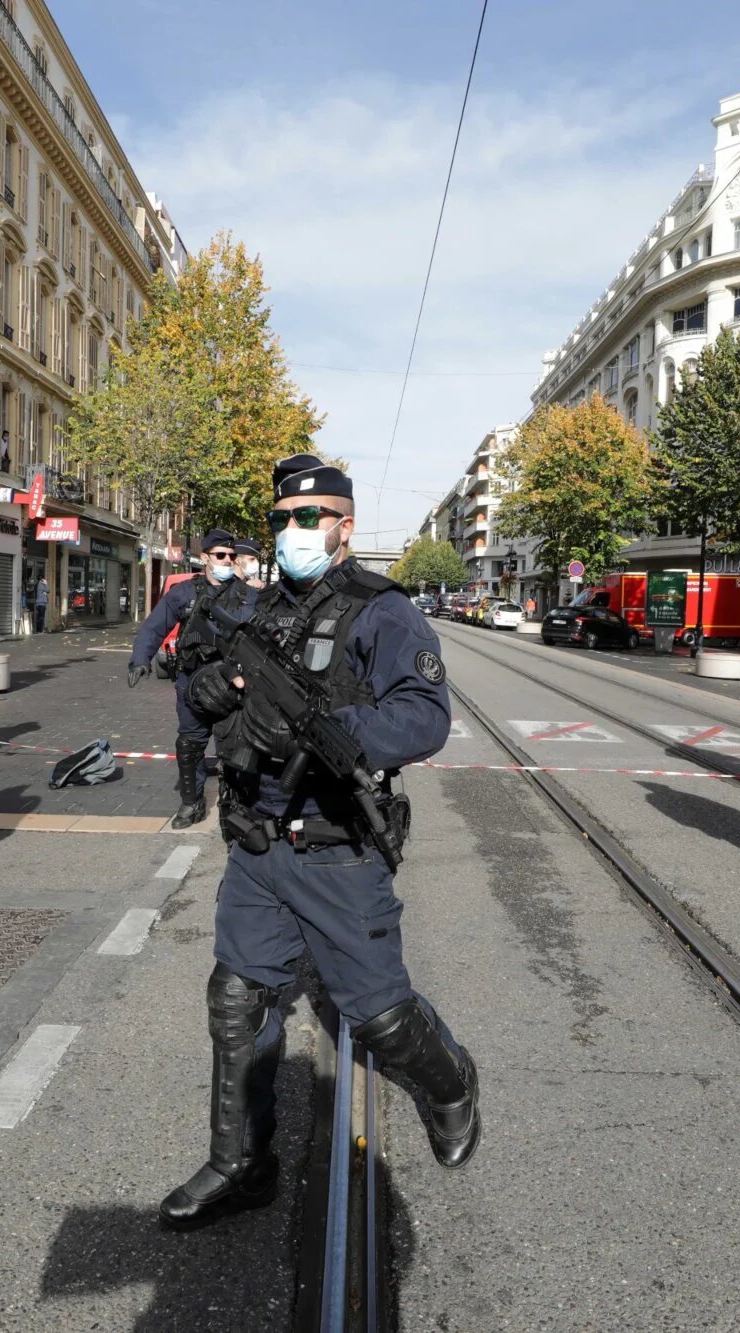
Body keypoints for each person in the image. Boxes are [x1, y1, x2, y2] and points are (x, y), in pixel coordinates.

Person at [160, 457, 479, 1230]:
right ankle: (242, 1161)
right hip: (257, 843)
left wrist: (335, 731)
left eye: (310, 518)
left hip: (336, 847)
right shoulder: (259, 609)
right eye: (281, 520)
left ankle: (451, 1082)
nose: (292, 532)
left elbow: (424, 715)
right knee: (236, 1000)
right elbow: (208, 689)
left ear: (344, 525)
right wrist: (202, 695)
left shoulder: (382, 609)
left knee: (378, 1019)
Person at [126, 529, 255, 828]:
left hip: (231, 683)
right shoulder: (183, 592)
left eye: (232, 556)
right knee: (190, 744)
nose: (227, 561)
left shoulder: (248, 595)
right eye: (220, 555)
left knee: (235, 746)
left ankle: (235, 805)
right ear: (206, 558)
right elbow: (154, 626)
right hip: (191, 680)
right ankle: (191, 802)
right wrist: (140, 659)